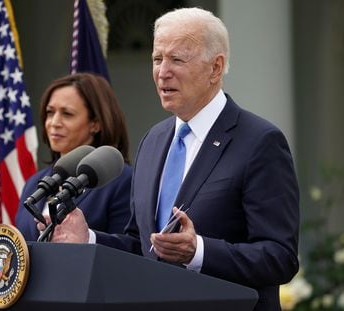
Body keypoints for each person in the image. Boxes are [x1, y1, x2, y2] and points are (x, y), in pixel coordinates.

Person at [39, 8, 300, 311]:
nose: (163, 72)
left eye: (177, 59)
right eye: (157, 59)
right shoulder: (153, 140)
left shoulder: (259, 142)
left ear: (215, 68)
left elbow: (280, 257)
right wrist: (88, 239)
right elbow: (142, 247)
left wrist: (198, 251)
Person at [16, 73, 132, 241]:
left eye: (67, 114)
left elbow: (131, 251)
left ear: (96, 124)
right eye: (50, 112)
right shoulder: (34, 183)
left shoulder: (122, 181)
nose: (54, 122)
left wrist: (88, 238)